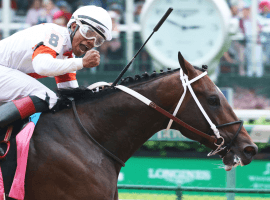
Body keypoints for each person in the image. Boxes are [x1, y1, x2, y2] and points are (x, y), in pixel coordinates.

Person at [0, 5, 112, 128]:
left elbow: (71, 96)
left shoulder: (68, 56)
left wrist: (98, 93)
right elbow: (42, 66)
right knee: (46, 96)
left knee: (56, 101)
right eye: (88, 32)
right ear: (74, 27)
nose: (91, 41)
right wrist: (82, 63)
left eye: (98, 40)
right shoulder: (56, 35)